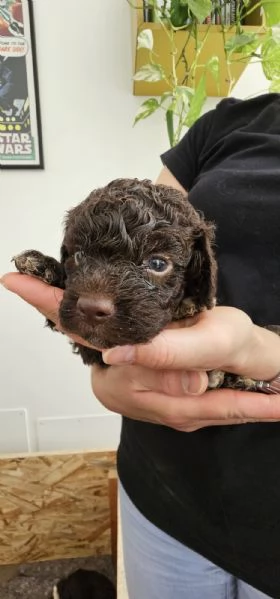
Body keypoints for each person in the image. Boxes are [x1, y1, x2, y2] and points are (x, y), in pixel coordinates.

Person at [2, 92, 280, 598]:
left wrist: (267, 354)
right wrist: (107, 369)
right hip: (165, 488)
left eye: (157, 267)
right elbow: (141, 228)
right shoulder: (232, 121)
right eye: (79, 254)